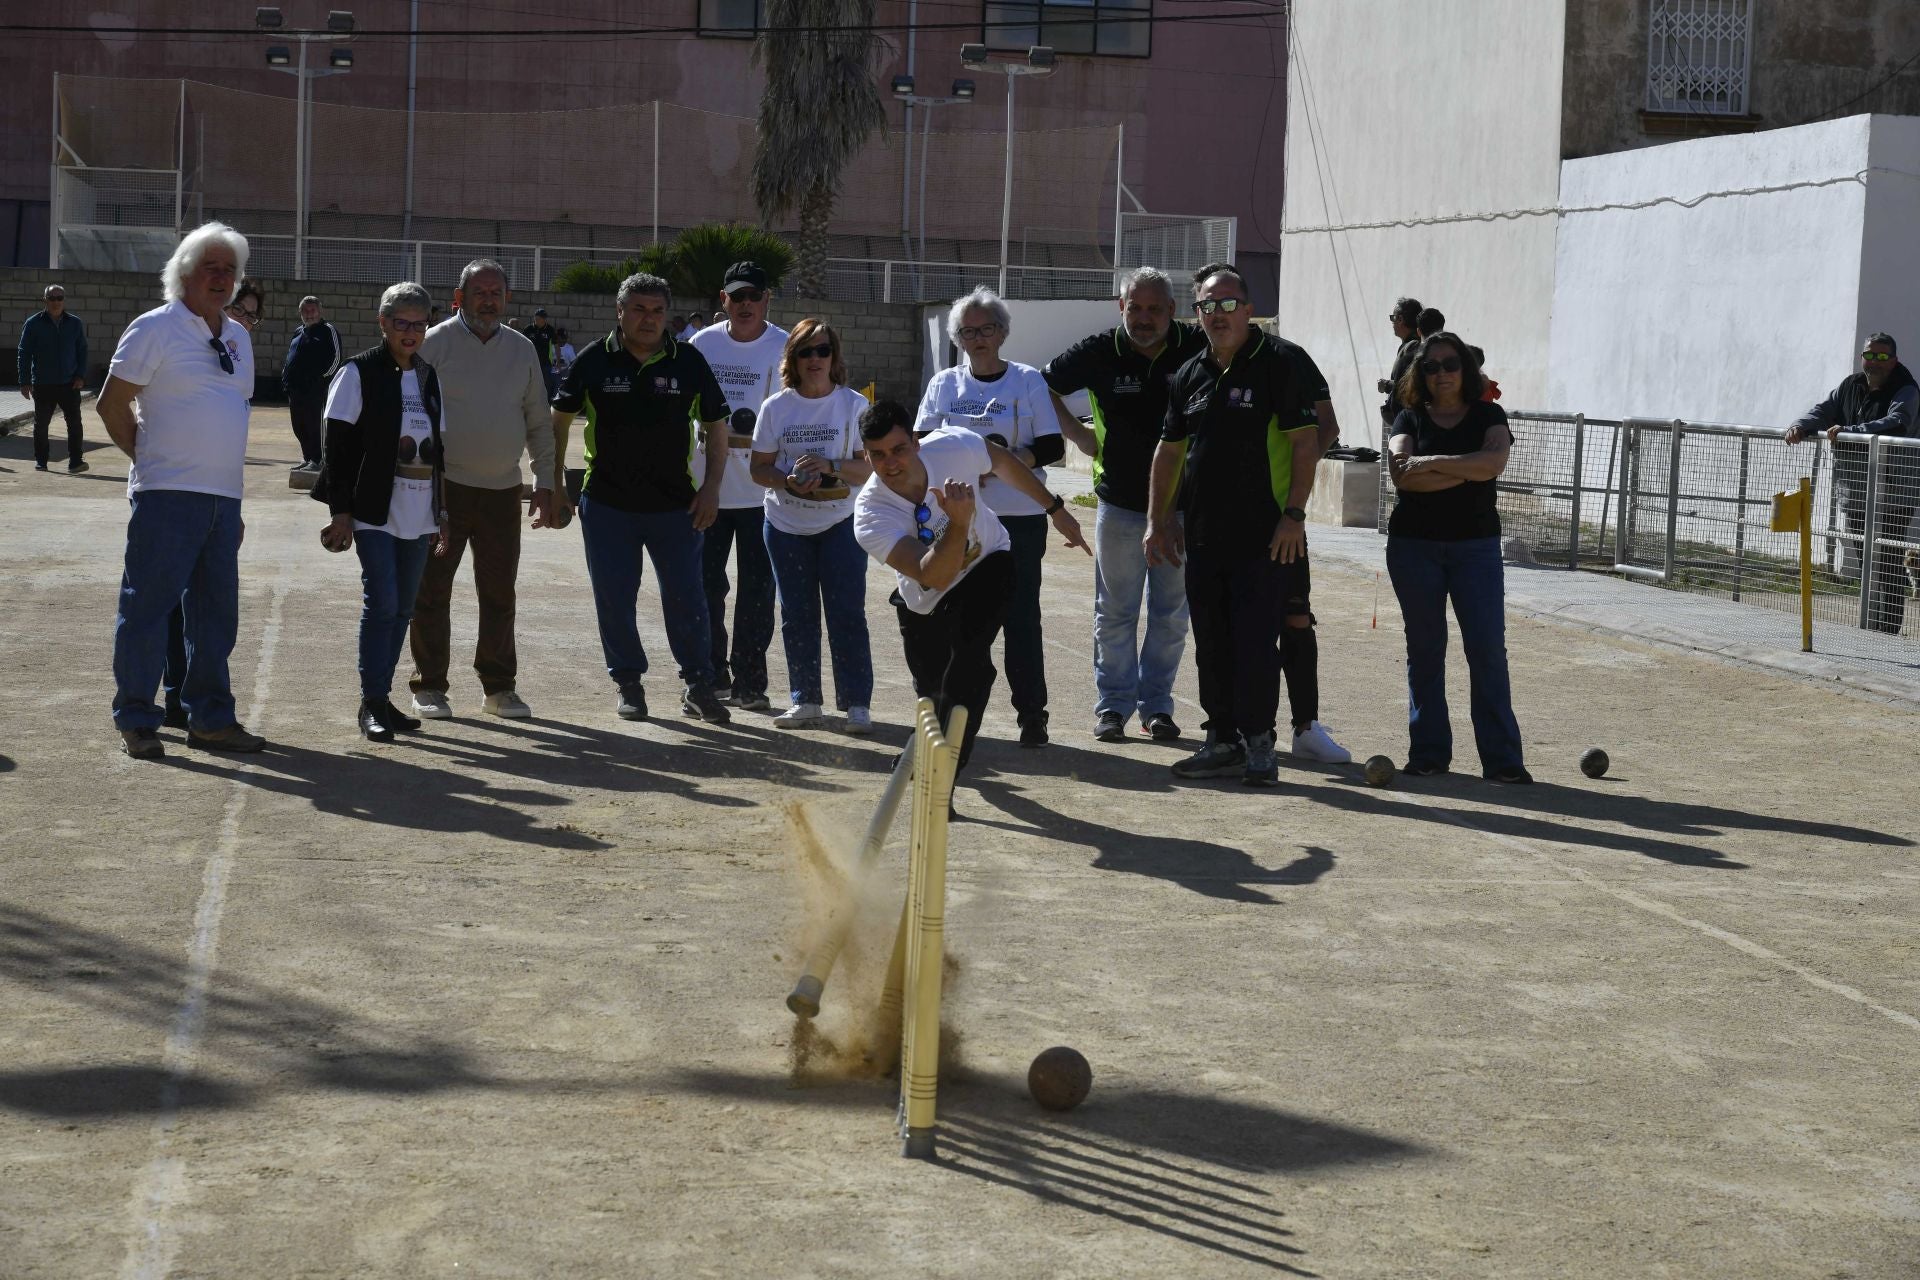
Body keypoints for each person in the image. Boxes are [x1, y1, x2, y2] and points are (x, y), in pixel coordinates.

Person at [1145, 265, 1348, 787]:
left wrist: (1294, 516)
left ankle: (1260, 745)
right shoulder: (1189, 374)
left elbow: (1308, 443)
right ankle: (1221, 741)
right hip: (1204, 534)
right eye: (1208, 306)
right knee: (1212, 640)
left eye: (1229, 303)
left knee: (1257, 643)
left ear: (1249, 308)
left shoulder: (1278, 364)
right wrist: (1158, 519)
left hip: (1266, 536)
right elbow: (1169, 454)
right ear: (1197, 314)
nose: (1218, 314)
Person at [96, 222, 264, 760]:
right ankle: (138, 718)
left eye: (229, 270)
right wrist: (150, 460)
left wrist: (232, 502)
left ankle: (210, 718)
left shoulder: (237, 336)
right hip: (166, 496)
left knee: (216, 617)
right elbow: (111, 404)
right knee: (147, 609)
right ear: (183, 273)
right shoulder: (155, 328)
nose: (221, 278)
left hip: (221, 499)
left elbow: (232, 416)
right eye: (210, 268)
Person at [853, 400, 1087, 783]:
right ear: (866, 455)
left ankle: (944, 773)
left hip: (989, 562)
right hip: (927, 595)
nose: (891, 463)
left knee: (968, 666)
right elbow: (935, 575)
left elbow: (1002, 461)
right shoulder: (871, 513)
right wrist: (959, 524)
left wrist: (1055, 507)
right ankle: (931, 736)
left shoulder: (951, 446)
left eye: (898, 449)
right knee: (932, 690)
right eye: (877, 456)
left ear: (915, 441)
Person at [550, 272, 733, 723]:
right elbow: (557, 421)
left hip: (676, 506)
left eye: (656, 310)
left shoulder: (688, 361)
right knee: (615, 597)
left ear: (667, 315)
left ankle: (698, 684)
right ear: (620, 312)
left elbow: (716, 426)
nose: (648, 319)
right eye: (638, 309)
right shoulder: (594, 360)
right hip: (608, 506)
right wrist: (553, 483)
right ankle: (629, 683)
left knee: (688, 598)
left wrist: (711, 488)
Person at [1042, 266, 1207, 743]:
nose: (1144, 318)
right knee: (1114, 610)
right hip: (1119, 504)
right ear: (1121, 308)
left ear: (1172, 312)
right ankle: (1112, 706)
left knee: (1171, 612)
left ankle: (1156, 707)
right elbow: (1042, 385)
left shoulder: (1197, 346)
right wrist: (1078, 435)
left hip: (1182, 506)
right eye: (1135, 308)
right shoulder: (1098, 351)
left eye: (1155, 309)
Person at [914, 287, 1065, 747]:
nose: (978, 338)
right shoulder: (944, 385)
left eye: (987, 329)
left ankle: (1032, 715)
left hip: (1017, 517)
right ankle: (949, 715)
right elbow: (920, 441)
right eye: (968, 331)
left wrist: (1006, 459)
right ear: (957, 338)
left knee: (1021, 617)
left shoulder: (1027, 381)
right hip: (956, 520)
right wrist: (958, 469)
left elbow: (1054, 447)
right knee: (951, 618)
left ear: (1002, 333)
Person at [410, 259, 557, 720]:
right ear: (459, 298)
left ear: (507, 299)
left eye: (496, 292)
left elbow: (538, 420)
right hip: (445, 489)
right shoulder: (434, 345)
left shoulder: (522, 349)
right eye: (479, 292)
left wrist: (547, 482)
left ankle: (499, 688)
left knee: (499, 592)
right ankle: (429, 686)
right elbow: (412, 414)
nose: (488, 300)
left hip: (501, 492)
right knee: (432, 590)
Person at [1385, 333, 1529, 783]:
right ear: (1419, 375)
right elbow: (1403, 478)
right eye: (1430, 367)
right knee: (1425, 651)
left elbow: (1492, 467)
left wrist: (1433, 463)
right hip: (1414, 548)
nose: (1441, 373)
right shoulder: (1408, 416)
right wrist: (1464, 467)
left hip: (1476, 549)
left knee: (1486, 650)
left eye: (1449, 364)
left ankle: (1502, 760)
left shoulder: (1490, 413)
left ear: (1465, 368)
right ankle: (1428, 753)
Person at [311, 282, 450, 742]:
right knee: (383, 603)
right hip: (374, 511)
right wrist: (341, 511)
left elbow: (438, 450)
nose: (411, 332)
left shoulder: (428, 376)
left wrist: (440, 512)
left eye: (419, 323)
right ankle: (371, 702)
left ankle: (382, 696)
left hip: (420, 512)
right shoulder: (358, 372)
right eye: (401, 323)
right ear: (383, 323)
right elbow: (337, 448)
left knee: (404, 608)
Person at [749, 320, 875, 732]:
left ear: (834, 356)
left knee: (847, 613)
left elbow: (871, 467)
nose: (815, 359)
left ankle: (856, 704)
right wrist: (787, 480)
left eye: (822, 350)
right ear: (793, 360)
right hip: (785, 525)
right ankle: (805, 700)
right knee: (797, 614)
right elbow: (758, 469)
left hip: (841, 523)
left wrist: (831, 466)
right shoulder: (776, 407)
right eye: (806, 352)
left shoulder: (853, 404)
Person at [689, 261, 788, 711]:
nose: (746, 304)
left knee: (757, 591)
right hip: (707, 488)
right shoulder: (701, 344)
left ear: (767, 299)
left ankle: (750, 680)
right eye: (737, 296)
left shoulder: (786, 347)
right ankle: (708, 675)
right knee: (705, 587)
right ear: (723, 300)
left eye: (754, 295)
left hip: (763, 493)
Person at [1786, 332, 1916, 635]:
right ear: (1863, 357)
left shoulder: (1906, 389)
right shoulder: (1849, 386)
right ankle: (1871, 628)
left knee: (1888, 561)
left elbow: (1899, 421)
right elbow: (1823, 409)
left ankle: (1887, 631)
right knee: (1865, 560)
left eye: (1883, 356)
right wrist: (1800, 425)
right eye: (1871, 355)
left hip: (1896, 494)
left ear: (1894, 360)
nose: (1876, 361)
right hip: (1855, 492)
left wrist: (1852, 431)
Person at [17, 283, 89, 473]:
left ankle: (75, 461)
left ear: (64, 300)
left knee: (74, 424)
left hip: (69, 383)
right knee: (41, 425)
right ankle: (41, 460)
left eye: (59, 298)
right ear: (45, 300)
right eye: (52, 298)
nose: (56, 302)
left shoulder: (74, 323)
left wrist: (80, 375)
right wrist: (24, 381)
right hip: (43, 383)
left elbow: (82, 351)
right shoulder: (33, 324)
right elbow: (24, 353)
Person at [283, 294, 341, 475]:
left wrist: (320, 379)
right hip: (295, 389)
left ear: (320, 311)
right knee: (299, 426)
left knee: (314, 425)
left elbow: (336, 359)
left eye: (312, 310)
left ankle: (318, 459)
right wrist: (286, 377)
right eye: (305, 311)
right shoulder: (298, 331)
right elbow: (290, 357)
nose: (309, 314)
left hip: (316, 390)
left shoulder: (328, 330)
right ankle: (308, 457)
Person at [1376, 296, 1422, 439]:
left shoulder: (1413, 347)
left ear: (1400, 319)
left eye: (1393, 318)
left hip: (1409, 426)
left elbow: (1411, 386)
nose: (1392, 323)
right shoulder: (1410, 346)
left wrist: (1388, 386)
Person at [527, 307, 558, 401]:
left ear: (544, 319)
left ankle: (545, 403)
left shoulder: (550, 330)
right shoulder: (529, 329)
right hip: (530, 362)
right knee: (529, 383)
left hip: (545, 363)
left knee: (546, 385)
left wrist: (558, 362)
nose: (537, 320)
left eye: (540, 319)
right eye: (536, 318)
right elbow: (522, 344)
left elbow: (556, 346)